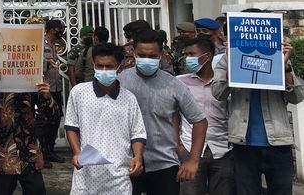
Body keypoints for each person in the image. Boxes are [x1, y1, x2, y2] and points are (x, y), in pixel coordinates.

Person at [211, 14, 304, 195]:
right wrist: (233, 62)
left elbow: (297, 96)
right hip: (244, 143)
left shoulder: (278, 58)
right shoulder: (226, 60)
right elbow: (218, 93)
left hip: (278, 142)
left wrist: (284, 66)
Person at [119, 29, 208, 195]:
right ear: (134, 54)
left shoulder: (174, 85)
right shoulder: (121, 81)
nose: (147, 60)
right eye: (141, 55)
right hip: (126, 164)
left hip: (164, 165)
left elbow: (200, 121)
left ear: (161, 55)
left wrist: (193, 160)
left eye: (152, 56)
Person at [65, 43, 146, 194]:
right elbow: (71, 127)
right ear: (94, 65)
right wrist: (76, 152)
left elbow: (138, 133)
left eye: (109, 66)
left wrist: (138, 157)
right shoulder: (79, 92)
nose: (104, 70)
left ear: (119, 67)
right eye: (99, 66)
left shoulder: (129, 98)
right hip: (86, 177)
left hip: (119, 177)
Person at [176, 37, 233, 195]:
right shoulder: (180, 83)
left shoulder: (225, 84)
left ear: (207, 56)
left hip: (222, 149)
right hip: (189, 148)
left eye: (191, 54)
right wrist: (178, 145)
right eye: (186, 54)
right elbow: (173, 115)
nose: (187, 59)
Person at [0, 60, 54, 194]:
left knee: (36, 190)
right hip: (3, 151)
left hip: (30, 151)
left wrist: (46, 95)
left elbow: (50, 115)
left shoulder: (33, 70)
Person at [38, 20, 65, 166]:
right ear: (51, 30)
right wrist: (47, 64)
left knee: (55, 118)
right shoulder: (42, 44)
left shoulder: (53, 45)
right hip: (46, 89)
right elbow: (38, 66)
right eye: (59, 29)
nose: (61, 31)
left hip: (56, 88)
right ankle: (43, 153)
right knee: (45, 121)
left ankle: (50, 149)